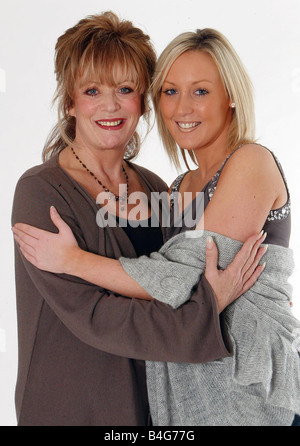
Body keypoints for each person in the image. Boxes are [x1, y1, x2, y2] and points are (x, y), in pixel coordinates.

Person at [13, 27, 300, 426]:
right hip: (77, 404)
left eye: (126, 89)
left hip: (209, 400)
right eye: (92, 90)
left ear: (141, 102)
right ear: (70, 103)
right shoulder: (42, 191)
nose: (110, 106)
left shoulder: (157, 187)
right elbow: (97, 313)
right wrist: (210, 306)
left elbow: (186, 278)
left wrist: (75, 260)